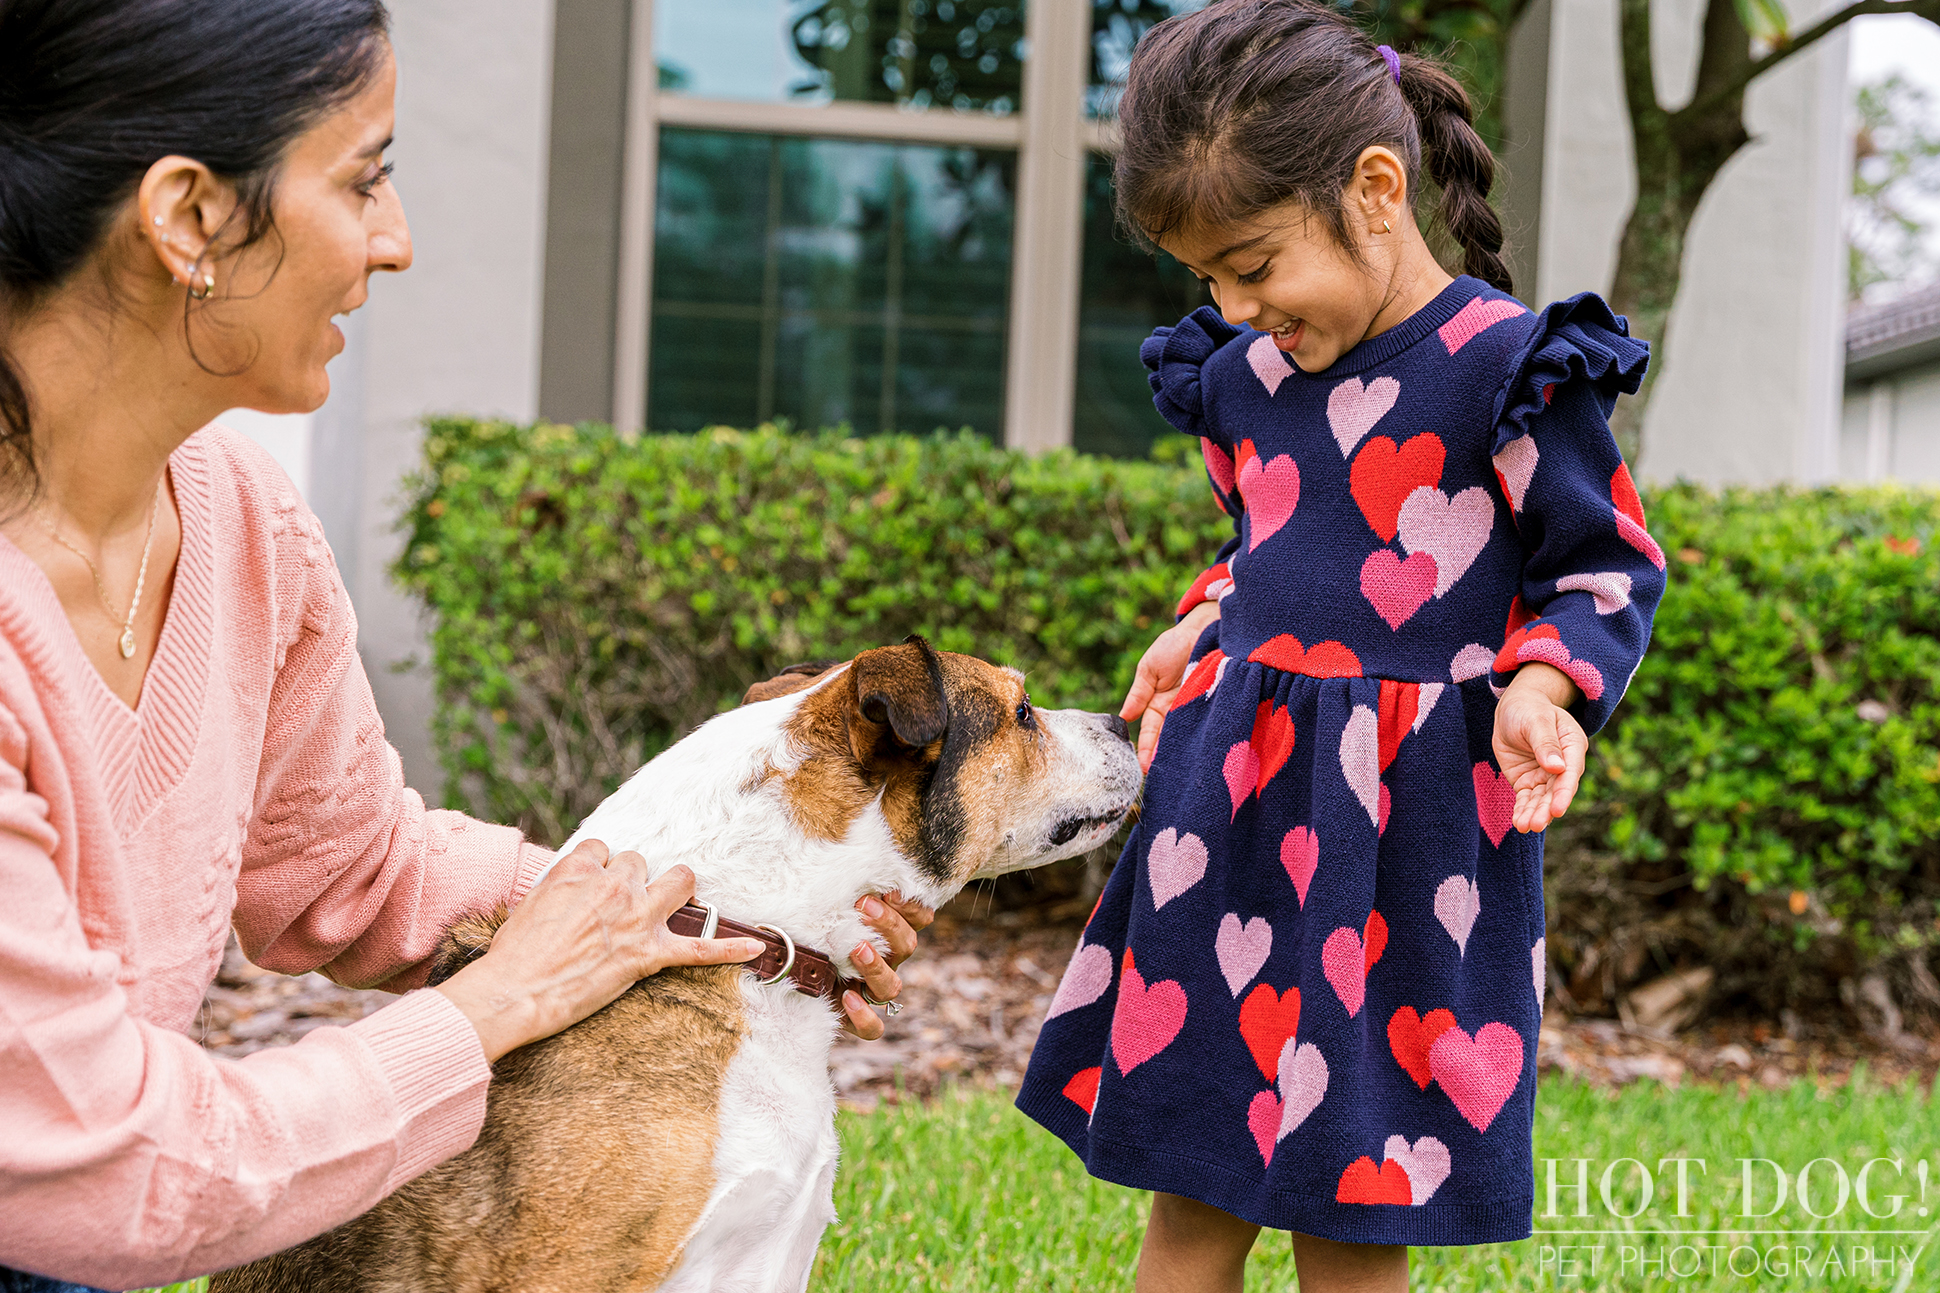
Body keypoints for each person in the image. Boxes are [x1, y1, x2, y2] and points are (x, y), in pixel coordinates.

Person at [0, 2, 930, 1289]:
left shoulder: (238, 522)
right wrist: (489, 1010)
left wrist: (717, 922)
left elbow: (351, 863)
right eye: (364, 177)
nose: (396, 242)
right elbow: (105, 1165)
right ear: (188, 217)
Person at [1014, 3, 1667, 1289]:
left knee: (1355, 1198)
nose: (1235, 305)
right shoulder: (1244, 381)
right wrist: (1200, 619)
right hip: (1233, 809)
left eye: (1251, 264)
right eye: (1205, 278)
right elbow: (1275, 548)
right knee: (1193, 1178)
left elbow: (1600, 564)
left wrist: (1543, 684)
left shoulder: (1508, 368)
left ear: (1376, 189)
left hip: (1409, 836)